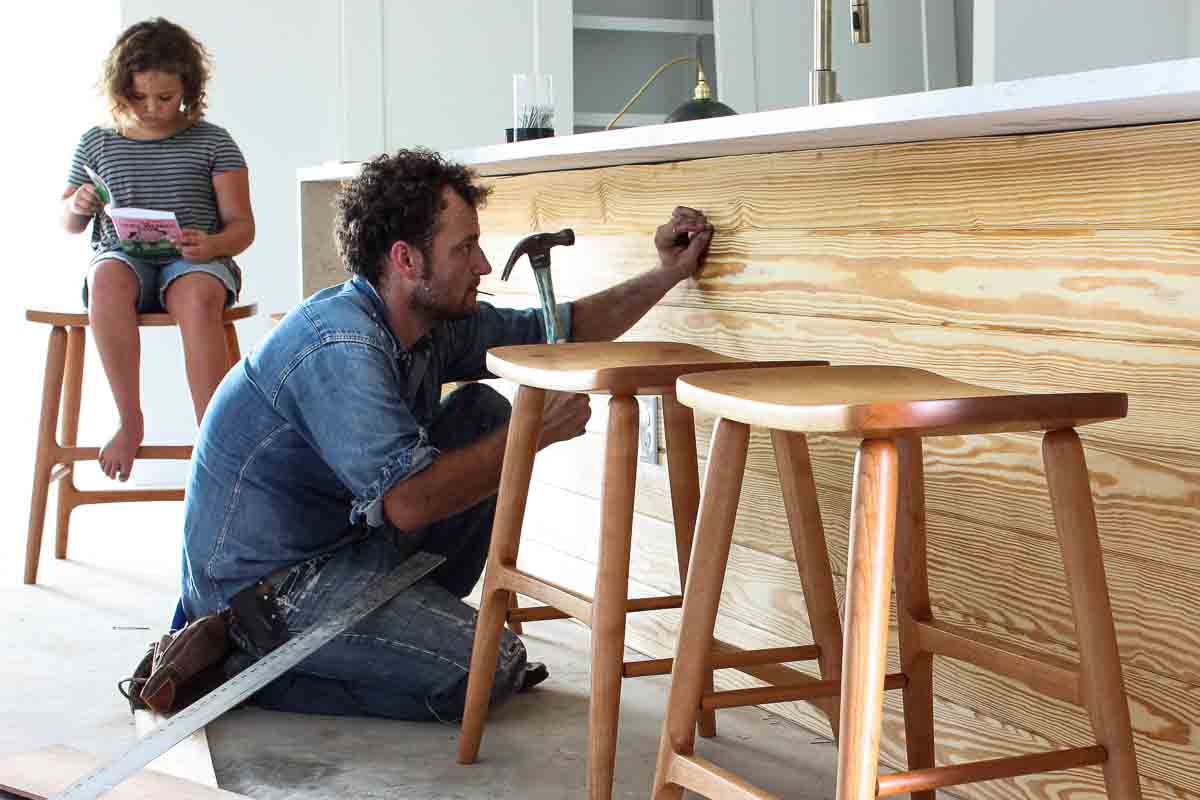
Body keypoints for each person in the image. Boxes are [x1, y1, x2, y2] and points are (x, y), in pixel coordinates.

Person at [179, 148, 713, 721]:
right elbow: (409, 504)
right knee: (492, 666)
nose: (482, 265)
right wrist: (533, 434)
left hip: (341, 546)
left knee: (482, 411)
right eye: (465, 248)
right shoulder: (342, 346)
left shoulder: (425, 323)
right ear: (406, 259)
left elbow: (562, 331)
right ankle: (245, 668)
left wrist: (668, 273)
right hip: (266, 592)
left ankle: (393, 636)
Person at [61, 17, 255, 482]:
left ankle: (215, 432)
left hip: (193, 261)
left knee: (195, 296)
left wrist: (211, 243)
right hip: (124, 258)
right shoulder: (97, 141)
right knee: (104, 278)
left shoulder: (212, 142)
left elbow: (242, 228)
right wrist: (79, 203)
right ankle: (129, 419)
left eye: (165, 97)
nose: (152, 108)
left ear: (188, 87)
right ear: (119, 90)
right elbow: (68, 221)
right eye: (138, 96)